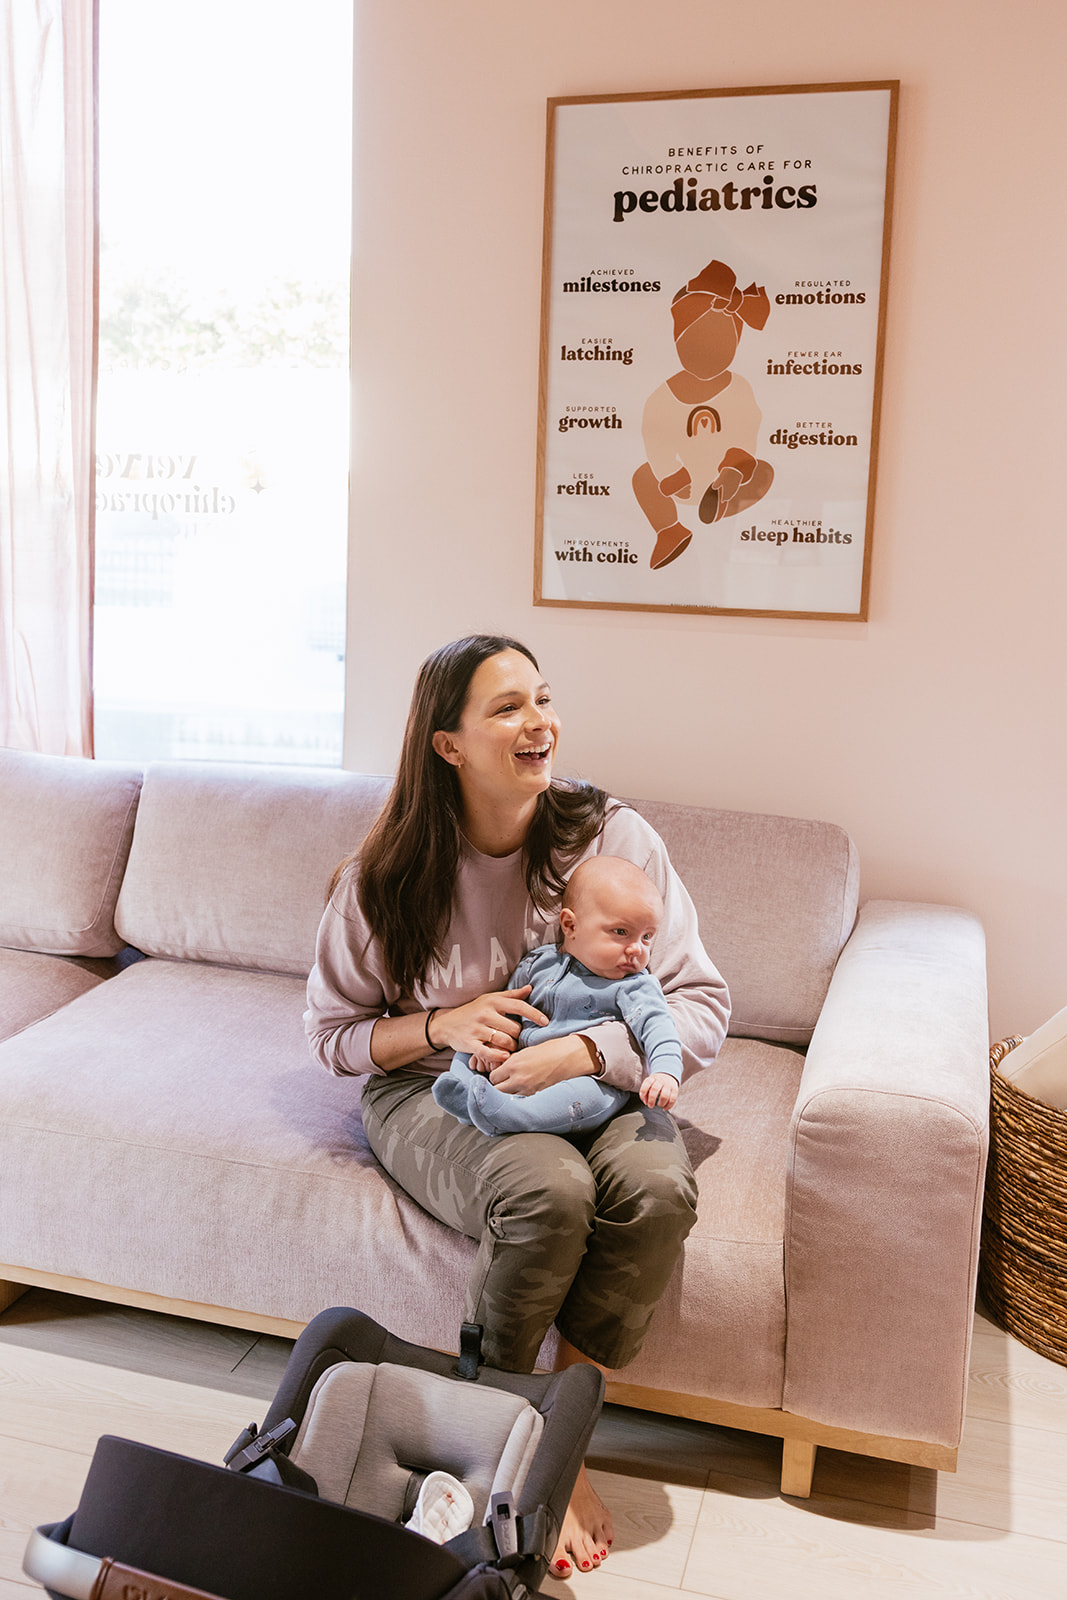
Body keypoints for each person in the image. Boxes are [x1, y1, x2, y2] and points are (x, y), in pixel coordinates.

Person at [305, 634, 730, 1580]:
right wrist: (443, 1025)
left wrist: (581, 1049)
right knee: (547, 1191)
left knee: (656, 1187)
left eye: (542, 699)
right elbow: (334, 1037)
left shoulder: (611, 839)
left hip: (597, 1070)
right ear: (447, 744)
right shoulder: (387, 872)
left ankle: (560, 1429)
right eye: (506, 708)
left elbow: (697, 1003)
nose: (538, 723)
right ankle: (498, 1421)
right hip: (434, 1083)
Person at [433, 854, 682, 1136]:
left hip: (588, 1078)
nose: (637, 949)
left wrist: (665, 1073)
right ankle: (462, 1085)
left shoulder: (635, 985)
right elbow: (508, 1013)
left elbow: (659, 1028)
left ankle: (511, 1115)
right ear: (570, 925)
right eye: (621, 932)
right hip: (519, 1062)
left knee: (588, 1096)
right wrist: (495, 1048)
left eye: (647, 937)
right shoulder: (537, 964)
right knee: (473, 1038)